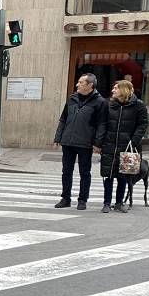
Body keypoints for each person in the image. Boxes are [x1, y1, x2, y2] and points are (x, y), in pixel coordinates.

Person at [53, 73, 107, 210]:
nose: (77, 85)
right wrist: (58, 137)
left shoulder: (100, 102)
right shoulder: (72, 98)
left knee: (84, 172)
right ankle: (65, 198)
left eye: (81, 82)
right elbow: (63, 119)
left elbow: (102, 124)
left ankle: (82, 200)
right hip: (68, 141)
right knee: (66, 171)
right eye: (78, 82)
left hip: (85, 142)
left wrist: (98, 143)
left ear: (90, 85)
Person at [98, 79, 148, 214]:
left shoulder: (139, 106)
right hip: (110, 144)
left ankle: (119, 203)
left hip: (128, 146)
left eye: (116, 88)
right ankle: (106, 203)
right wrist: (99, 142)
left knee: (123, 176)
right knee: (108, 175)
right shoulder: (109, 105)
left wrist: (134, 140)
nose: (113, 90)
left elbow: (142, 125)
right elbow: (102, 124)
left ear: (124, 90)